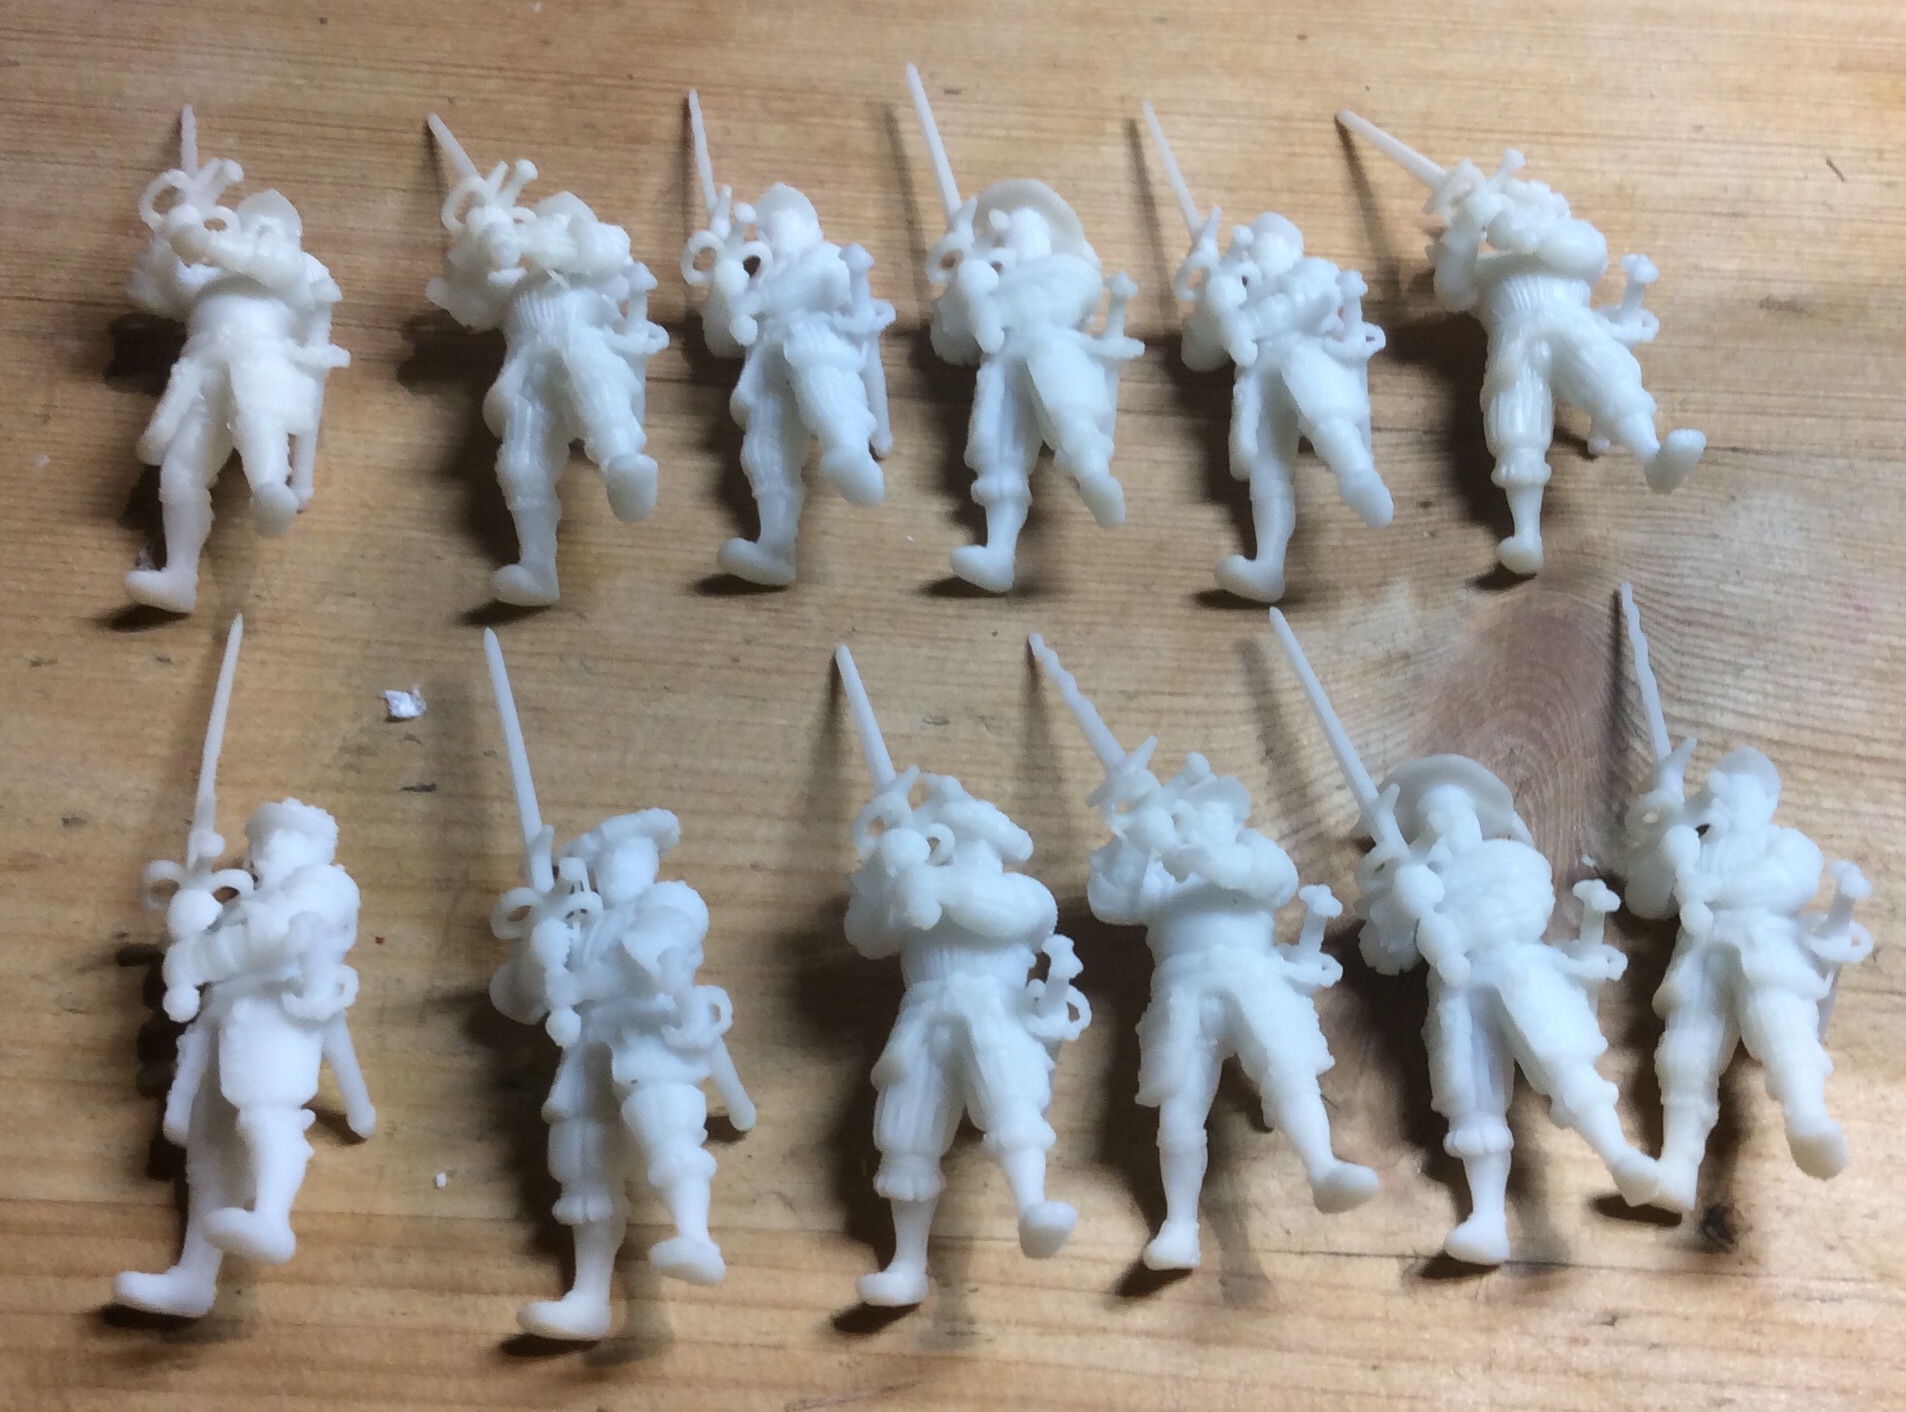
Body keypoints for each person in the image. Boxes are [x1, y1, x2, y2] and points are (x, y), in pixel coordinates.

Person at [1356, 757, 1656, 1264]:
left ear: (1476, 818)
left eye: (1453, 814)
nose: (1443, 827)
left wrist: (1453, 932)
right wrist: (1401, 906)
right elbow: (1385, 956)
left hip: (1520, 972)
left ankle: (1621, 1158)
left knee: (1566, 1067)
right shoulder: (1413, 881)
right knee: (1471, 1101)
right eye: (1429, 820)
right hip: (1457, 995)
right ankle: (1487, 1219)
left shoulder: (1512, 860)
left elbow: (1525, 906)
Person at [1085, 750, 1378, 1270]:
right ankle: (1179, 1225)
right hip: (1182, 990)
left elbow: (1269, 880)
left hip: (1254, 979)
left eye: (1214, 811)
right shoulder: (1161, 867)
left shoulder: (1254, 853)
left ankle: (1323, 1167)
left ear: (1235, 818)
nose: (1201, 820)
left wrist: (1198, 857)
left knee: (1289, 1072)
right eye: (1190, 812)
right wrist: (1137, 840)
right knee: (1179, 1108)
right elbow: (1113, 901)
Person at [488, 810, 751, 1340]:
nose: (615, 867)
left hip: (649, 1037)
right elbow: (519, 1001)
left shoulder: (671, 901)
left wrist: (576, 984)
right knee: (584, 1168)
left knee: (668, 1136)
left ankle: (696, 1239)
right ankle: (588, 1299)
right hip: (587, 1052)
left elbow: (645, 960)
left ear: (651, 859)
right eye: (605, 860)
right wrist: (540, 947)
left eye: (627, 855)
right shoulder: (576, 926)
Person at [114, 800, 373, 1317]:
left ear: (313, 847)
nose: (263, 853)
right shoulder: (241, 906)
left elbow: (267, 942)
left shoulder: (327, 886)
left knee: (267, 1115)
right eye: (259, 844)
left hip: (279, 1020)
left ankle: (272, 1220)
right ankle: (192, 1281)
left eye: (278, 840)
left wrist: (196, 959)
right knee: (208, 1156)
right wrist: (188, 921)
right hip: (221, 1027)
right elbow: (199, 956)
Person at [845, 771, 1089, 1306]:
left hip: (995, 1011)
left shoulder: (1024, 893)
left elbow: (998, 914)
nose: (957, 847)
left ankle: (1033, 1207)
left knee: (1012, 1105)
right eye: (950, 835)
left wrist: (932, 883)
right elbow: (868, 937)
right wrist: (882, 869)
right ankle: (906, 1265)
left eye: (971, 837)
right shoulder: (913, 883)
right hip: (922, 1018)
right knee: (906, 1137)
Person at [1623, 747, 1873, 1212]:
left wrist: (1713, 888)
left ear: (1766, 800)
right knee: (1684, 1056)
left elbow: (1788, 880)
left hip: (1766, 946)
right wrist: (1671, 841)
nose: (1725, 801)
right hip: (1700, 956)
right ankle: (1677, 1166)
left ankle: (1808, 1119)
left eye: (1738, 791)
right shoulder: (1694, 849)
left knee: (1782, 1030)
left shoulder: (1786, 842)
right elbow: (1645, 900)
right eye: (1719, 792)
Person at [427, 146, 668, 605]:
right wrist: (478, 242)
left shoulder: (592, 269)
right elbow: (467, 305)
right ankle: (538, 568)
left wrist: (530, 239)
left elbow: (605, 248)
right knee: (520, 463)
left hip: (585, 351)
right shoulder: (512, 287)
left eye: (554, 222)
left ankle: (623, 464)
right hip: (526, 374)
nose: (545, 226)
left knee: (590, 375)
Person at [125, 151, 348, 614]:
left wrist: (204, 240)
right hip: (200, 368)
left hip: (262, 362)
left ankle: (269, 491)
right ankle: (179, 576)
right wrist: (176, 230)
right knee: (180, 471)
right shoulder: (208, 276)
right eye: (253, 224)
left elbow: (271, 265)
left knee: (258, 424)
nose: (261, 232)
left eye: (273, 227)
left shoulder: (297, 268)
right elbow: (166, 286)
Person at [928, 180, 1143, 592]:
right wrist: (967, 279)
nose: (1021, 238)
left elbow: (1076, 313)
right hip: (1005, 364)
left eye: (1031, 229)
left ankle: (1094, 480)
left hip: (1053, 350)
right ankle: (999, 554)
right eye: (1012, 230)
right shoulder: (986, 278)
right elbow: (955, 340)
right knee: (998, 454)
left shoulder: (1069, 276)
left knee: (1069, 417)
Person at [1175, 213, 1391, 601]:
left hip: (1307, 360)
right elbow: (1199, 356)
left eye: (1264, 245)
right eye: (1251, 251)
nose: (1254, 256)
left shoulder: (1313, 272)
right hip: (1258, 381)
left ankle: (1359, 480)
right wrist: (1212, 304)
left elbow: (1303, 302)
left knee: (1328, 421)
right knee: (1267, 472)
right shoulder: (1238, 294)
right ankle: (1268, 566)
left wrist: (1244, 324)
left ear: (1293, 249)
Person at [687, 183, 893, 586]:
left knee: (827, 397)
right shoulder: (757, 278)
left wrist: (756, 300)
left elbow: (827, 287)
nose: (775, 233)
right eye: (768, 228)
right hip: (766, 365)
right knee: (765, 450)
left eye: (786, 222)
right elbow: (721, 341)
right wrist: (725, 282)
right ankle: (775, 548)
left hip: (816, 343)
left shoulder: (827, 258)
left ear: (812, 226)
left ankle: (850, 456)